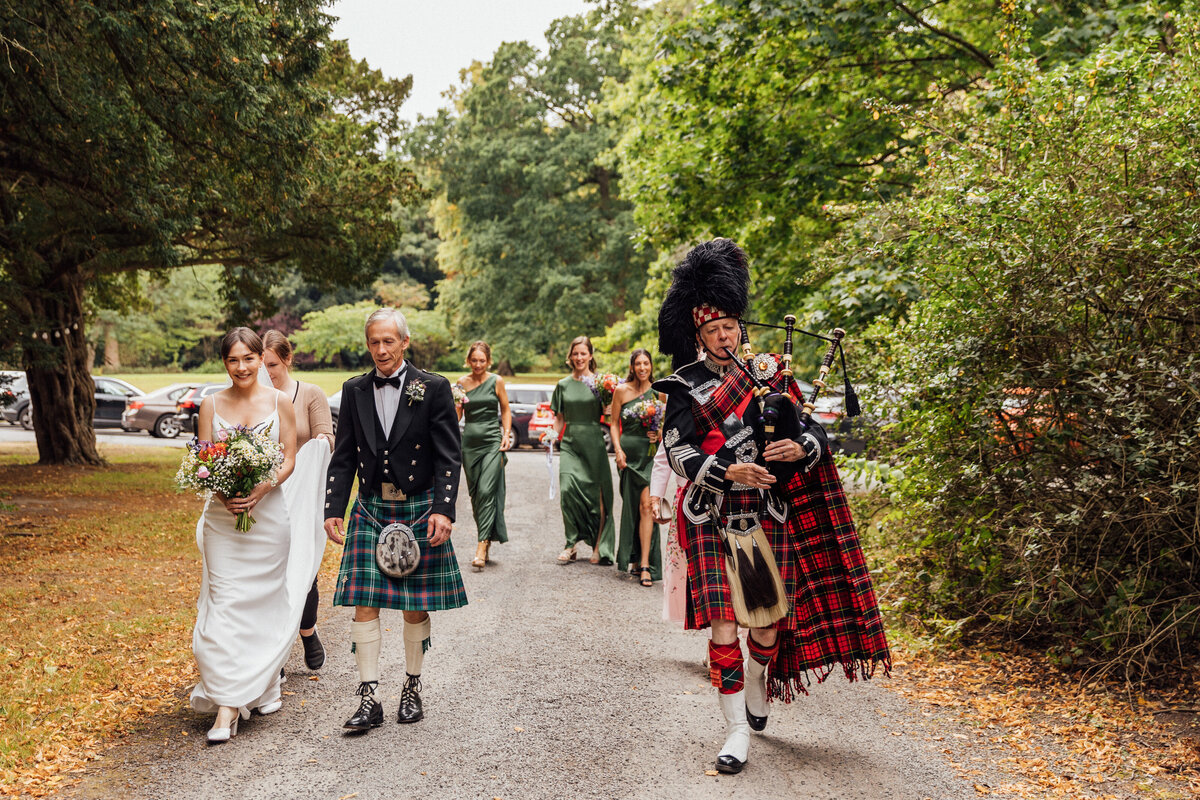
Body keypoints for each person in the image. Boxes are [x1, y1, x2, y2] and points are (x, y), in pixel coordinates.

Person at [654, 239, 891, 774]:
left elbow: (814, 433)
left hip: (765, 516)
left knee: (764, 628)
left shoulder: (771, 378)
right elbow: (680, 451)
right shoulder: (683, 387)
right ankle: (736, 729)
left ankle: (758, 676)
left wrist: (801, 448)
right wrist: (729, 470)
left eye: (730, 327)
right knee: (721, 624)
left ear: (740, 327)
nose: (723, 336)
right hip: (711, 516)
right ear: (697, 334)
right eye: (712, 330)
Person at [323, 308, 466, 733]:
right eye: (373, 342)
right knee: (364, 603)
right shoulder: (354, 390)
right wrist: (332, 508)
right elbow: (344, 453)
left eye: (388, 341)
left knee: (413, 605)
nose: (381, 350)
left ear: (404, 342)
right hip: (371, 507)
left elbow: (448, 454)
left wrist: (443, 507)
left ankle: (412, 687)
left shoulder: (434, 387)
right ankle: (369, 697)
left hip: (419, 506)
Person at [190, 327, 298, 744]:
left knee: (263, 605)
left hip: (268, 521)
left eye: (249, 359)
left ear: (261, 358)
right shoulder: (210, 405)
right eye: (233, 360)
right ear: (224, 363)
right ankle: (227, 706)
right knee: (225, 603)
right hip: (222, 521)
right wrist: (224, 492)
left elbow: (288, 459)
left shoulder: (280, 402)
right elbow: (203, 462)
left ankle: (262, 682)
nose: (241, 368)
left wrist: (261, 488)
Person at [262, 330, 334, 670]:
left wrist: (319, 442)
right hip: (266, 493)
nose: (267, 371)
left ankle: (307, 631)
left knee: (303, 563)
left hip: (302, 493)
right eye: (261, 364)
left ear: (288, 359)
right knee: (266, 568)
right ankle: (269, 645)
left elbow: (327, 437)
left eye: (273, 364)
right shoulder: (254, 397)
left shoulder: (310, 394)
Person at [548, 335, 615, 565]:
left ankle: (598, 545)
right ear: (570, 356)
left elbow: (609, 416)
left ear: (590, 355)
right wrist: (550, 435)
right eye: (575, 353)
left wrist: (608, 402)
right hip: (570, 444)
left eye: (583, 353)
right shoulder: (563, 385)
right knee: (567, 491)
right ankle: (570, 544)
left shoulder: (600, 383)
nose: (579, 357)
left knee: (595, 498)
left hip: (594, 444)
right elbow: (559, 419)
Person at [454, 340, 512, 570]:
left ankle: (480, 545)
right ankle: (486, 539)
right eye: (474, 360)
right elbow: (456, 415)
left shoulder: (496, 381)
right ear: (468, 360)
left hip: (492, 443)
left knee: (488, 490)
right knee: (477, 496)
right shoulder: (461, 383)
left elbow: (506, 409)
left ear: (489, 361)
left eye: (482, 360)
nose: (478, 364)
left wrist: (506, 434)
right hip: (470, 445)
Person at [610, 349, 664, 587]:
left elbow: (667, 427)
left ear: (651, 366)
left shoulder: (660, 392)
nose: (643, 368)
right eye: (638, 364)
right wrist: (618, 451)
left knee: (646, 505)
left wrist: (659, 434)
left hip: (650, 457)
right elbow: (613, 424)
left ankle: (645, 564)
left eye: (646, 363)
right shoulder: (621, 391)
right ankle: (633, 558)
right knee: (632, 506)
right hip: (628, 458)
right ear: (632, 367)